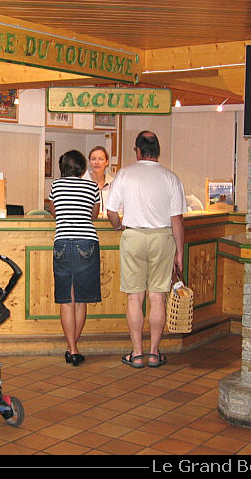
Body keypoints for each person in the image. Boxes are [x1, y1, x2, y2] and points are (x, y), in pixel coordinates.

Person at [106, 131, 186, 369]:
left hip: (133, 235)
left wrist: (119, 225)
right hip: (162, 237)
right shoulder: (171, 178)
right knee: (157, 297)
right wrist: (179, 252)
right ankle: (153, 353)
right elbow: (177, 220)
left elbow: (111, 211)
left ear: (137, 151)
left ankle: (137, 353)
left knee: (135, 297)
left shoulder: (124, 174)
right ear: (157, 151)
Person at [48, 150, 101, 366]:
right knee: (80, 300)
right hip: (86, 243)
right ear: (82, 167)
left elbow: (54, 212)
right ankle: (73, 348)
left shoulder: (56, 186)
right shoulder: (92, 187)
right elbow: (95, 215)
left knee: (66, 300)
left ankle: (72, 347)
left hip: (62, 243)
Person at [82, 145, 115, 218]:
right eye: (93, 159)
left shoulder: (114, 183)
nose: (96, 162)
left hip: (108, 226)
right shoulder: (82, 182)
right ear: (90, 162)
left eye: (100, 159)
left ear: (107, 162)